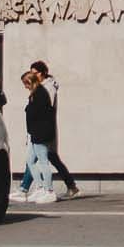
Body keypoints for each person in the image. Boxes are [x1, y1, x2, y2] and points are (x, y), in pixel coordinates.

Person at [30, 59, 80, 196]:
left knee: (41, 158)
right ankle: (69, 186)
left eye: (35, 73)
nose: (33, 76)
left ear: (43, 73)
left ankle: (41, 188)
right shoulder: (40, 86)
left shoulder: (48, 87)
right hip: (40, 127)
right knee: (39, 158)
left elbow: (48, 107)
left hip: (44, 128)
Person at [15, 68, 58, 203]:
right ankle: (40, 187)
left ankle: (49, 190)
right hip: (35, 132)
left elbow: (39, 113)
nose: (25, 87)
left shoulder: (40, 93)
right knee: (30, 160)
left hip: (41, 133)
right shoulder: (35, 93)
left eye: (26, 84)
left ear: (30, 82)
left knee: (43, 161)